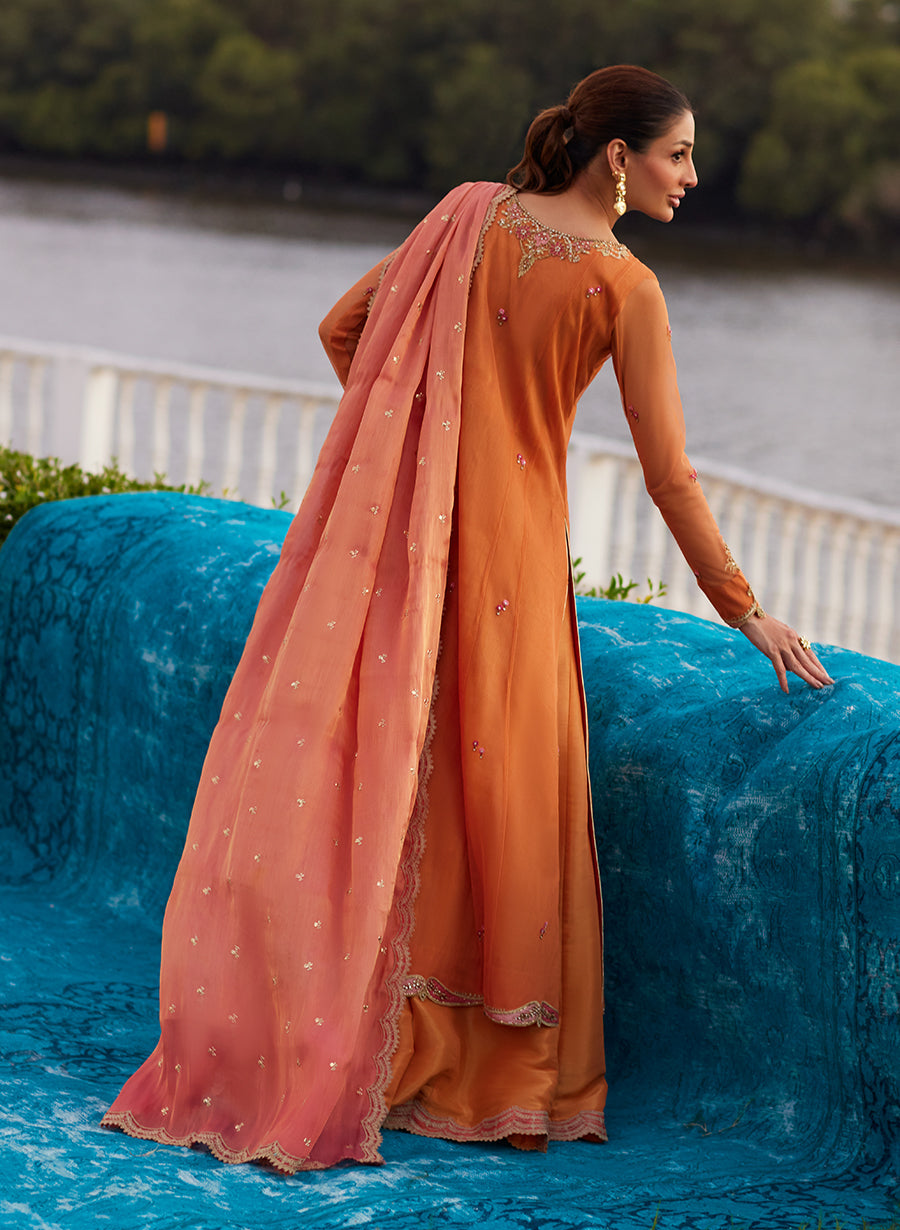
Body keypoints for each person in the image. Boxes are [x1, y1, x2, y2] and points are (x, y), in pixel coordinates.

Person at [102, 65, 832, 1171]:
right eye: (679, 153)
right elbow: (670, 476)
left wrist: (414, 448)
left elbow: (344, 330)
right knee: (501, 798)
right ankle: (487, 1072)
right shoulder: (624, 286)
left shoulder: (465, 215)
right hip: (513, 566)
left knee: (401, 785)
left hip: (413, 552)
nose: (693, 175)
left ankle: (365, 1039)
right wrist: (748, 611)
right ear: (619, 157)